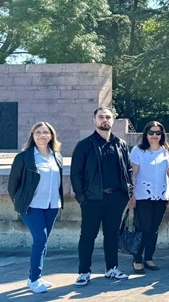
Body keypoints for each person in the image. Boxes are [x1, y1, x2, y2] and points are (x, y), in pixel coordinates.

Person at [72, 107, 133, 286]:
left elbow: (128, 169)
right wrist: (81, 198)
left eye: (108, 117)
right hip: (92, 199)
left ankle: (112, 269)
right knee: (87, 236)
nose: (104, 120)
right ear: (94, 120)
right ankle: (84, 271)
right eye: (101, 117)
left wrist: (127, 192)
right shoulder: (85, 145)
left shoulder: (120, 144)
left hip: (116, 199)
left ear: (112, 120)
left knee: (112, 235)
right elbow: (76, 174)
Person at [8, 122, 64, 293]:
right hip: (32, 206)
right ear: (32, 135)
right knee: (40, 240)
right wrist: (20, 202)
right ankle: (34, 279)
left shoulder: (57, 156)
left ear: (51, 136)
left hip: (52, 205)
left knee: (43, 242)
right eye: (38, 132)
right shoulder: (24, 157)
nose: (42, 135)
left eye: (45, 132)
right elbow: (13, 185)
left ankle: (34, 276)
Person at [129, 121, 169, 275]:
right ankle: (137, 258)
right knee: (144, 227)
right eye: (151, 132)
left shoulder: (166, 150)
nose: (154, 135)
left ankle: (149, 257)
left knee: (154, 229)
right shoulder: (138, 151)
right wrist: (132, 196)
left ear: (162, 135)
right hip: (143, 195)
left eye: (158, 133)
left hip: (160, 195)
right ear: (146, 134)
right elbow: (133, 175)